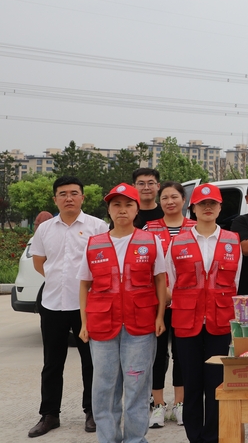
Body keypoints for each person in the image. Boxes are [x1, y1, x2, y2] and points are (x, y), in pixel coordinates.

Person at [78, 183, 167, 443]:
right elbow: (84, 284)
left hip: (140, 325)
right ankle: (108, 439)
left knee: (137, 387)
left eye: (128, 204)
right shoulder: (94, 244)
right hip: (102, 324)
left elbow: (160, 280)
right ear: (108, 209)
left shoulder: (149, 241)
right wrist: (84, 323)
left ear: (137, 208)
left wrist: (160, 316)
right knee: (104, 388)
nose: (122, 210)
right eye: (116, 204)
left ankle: (135, 440)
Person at [27, 176, 108, 437]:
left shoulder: (97, 226)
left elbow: (105, 263)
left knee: (91, 361)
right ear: (55, 199)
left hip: (88, 306)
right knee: (52, 362)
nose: (69, 198)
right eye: (63, 194)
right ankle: (50, 414)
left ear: (83, 197)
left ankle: (92, 411)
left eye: (74, 193)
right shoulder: (45, 229)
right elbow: (40, 262)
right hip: (52, 304)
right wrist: (57, 281)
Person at [166, 183, 241, 443]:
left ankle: (213, 437)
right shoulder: (177, 243)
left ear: (220, 207)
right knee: (193, 385)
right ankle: (195, 437)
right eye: (202, 204)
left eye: (213, 204)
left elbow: (236, 284)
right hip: (187, 323)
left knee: (217, 385)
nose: (208, 208)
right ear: (193, 209)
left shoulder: (233, 241)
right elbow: (171, 282)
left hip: (220, 323)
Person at [145, 181, 196, 428]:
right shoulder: (149, 228)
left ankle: (179, 403)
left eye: (174, 196)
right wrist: (163, 292)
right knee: (157, 354)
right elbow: (145, 264)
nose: (169, 201)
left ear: (183, 200)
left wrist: (176, 292)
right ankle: (157, 404)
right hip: (156, 302)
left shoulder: (195, 228)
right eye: (164, 197)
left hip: (187, 302)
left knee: (181, 353)